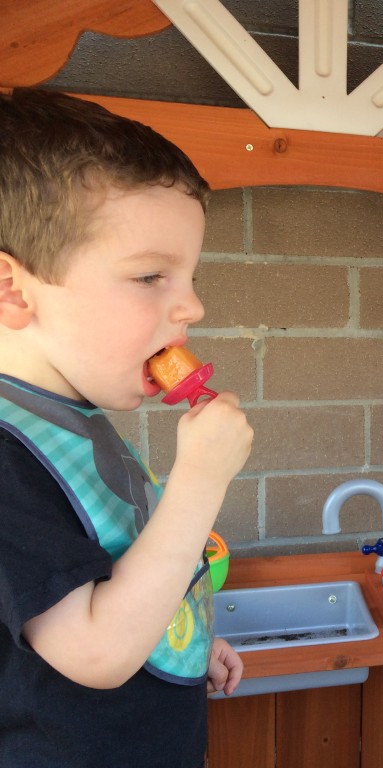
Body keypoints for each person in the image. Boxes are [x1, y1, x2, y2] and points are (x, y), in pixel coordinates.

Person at [0, 89, 254, 767]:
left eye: (189, 277)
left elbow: (118, 587)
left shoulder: (74, 419)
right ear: (14, 290)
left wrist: (182, 637)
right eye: (150, 276)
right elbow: (96, 650)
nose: (193, 305)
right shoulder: (6, 452)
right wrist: (199, 480)